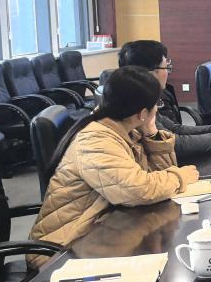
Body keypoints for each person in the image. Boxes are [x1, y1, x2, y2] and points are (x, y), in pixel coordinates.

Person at [29, 66, 199, 261]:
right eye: (157, 104)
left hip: (105, 234)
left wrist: (152, 133)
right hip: (64, 249)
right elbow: (138, 190)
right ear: (142, 113)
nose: (158, 109)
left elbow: (159, 176)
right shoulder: (96, 140)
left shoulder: (125, 128)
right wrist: (179, 177)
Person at [118, 40, 211, 163]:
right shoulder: (134, 105)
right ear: (150, 73)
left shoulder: (142, 97)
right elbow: (173, 144)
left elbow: (174, 129)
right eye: (166, 68)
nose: (167, 73)